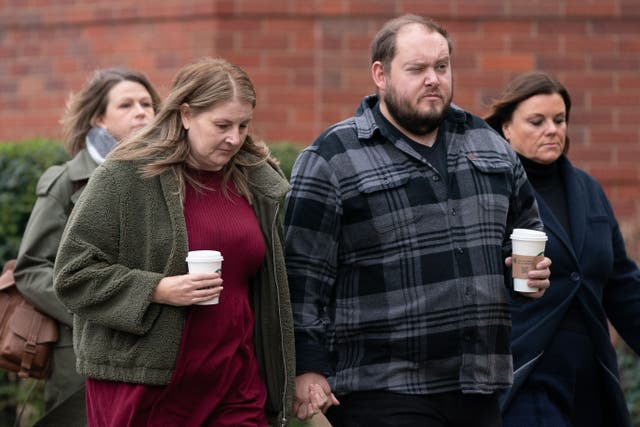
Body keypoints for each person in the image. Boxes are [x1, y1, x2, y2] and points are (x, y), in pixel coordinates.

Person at [284, 14, 552, 427]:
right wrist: (308, 365)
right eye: (417, 69)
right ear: (380, 74)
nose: (433, 79)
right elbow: (302, 277)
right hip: (381, 388)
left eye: (441, 67)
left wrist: (528, 277)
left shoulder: (490, 145)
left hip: (478, 383)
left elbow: (525, 228)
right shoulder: (333, 157)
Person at [53, 57, 295, 427]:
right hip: (148, 385)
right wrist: (158, 289)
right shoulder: (127, 173)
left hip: (237, 384)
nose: (234, 138)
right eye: (221, 125)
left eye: (243, 125)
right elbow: (73, 274)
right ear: (184, 115)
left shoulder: (255, 182)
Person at [485, 70, 640, 427]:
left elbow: (623, 287)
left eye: (559, 120)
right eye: (536, 121)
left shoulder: (589, 191)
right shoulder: (491, 193)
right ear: (506, 128)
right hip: (525, 375)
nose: (552, 129)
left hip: (592, 376)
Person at [13, 67, 160, 425]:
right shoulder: (66, 181)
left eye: (147, 103)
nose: (141, 111)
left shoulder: (167, 176)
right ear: (99, 118)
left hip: (151, 347)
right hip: (81, 351)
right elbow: (31, 268)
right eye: (126, 105)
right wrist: (98, 307)